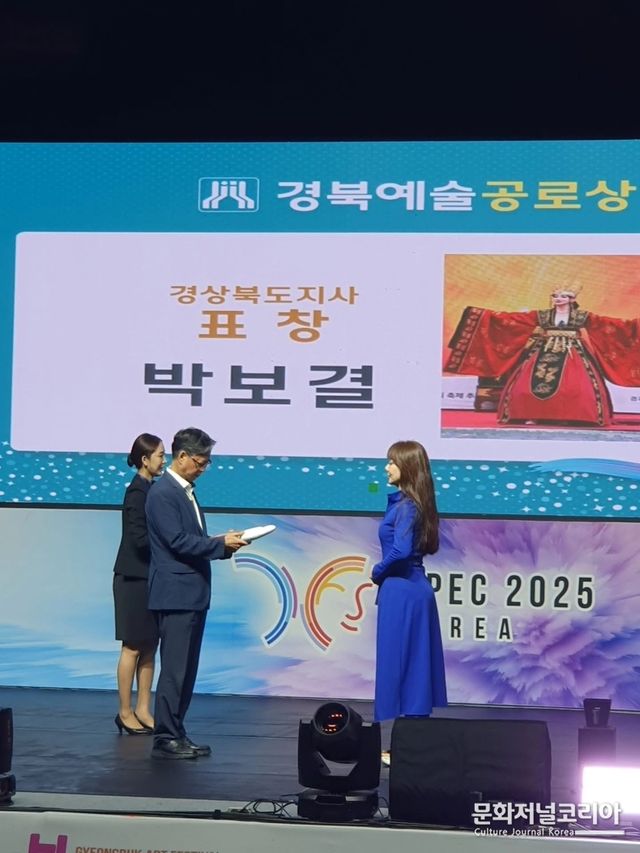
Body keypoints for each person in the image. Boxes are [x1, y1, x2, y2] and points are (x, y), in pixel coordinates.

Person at [146, 427, 246, 759]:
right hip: (175, 594)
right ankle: (165, 737)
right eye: (200, 463)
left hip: (191, 592)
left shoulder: (185, 491)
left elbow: (190, 538)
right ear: (182, 456)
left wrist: (222, 543)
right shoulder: (163, 493)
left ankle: (177, 731)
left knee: (186, 671)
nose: (203, 469)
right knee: (175, 671)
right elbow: (177, 541)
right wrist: (219, 545)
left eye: (207, 463)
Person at [445, 285, 640, 426]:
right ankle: (530, 414)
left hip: (573, 352)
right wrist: (480, 314)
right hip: (543, 350)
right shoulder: (542, 315)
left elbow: (614, 327)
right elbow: (511, 320)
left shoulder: (582, 317)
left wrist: (634, 326)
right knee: (525, 387)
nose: (558, 299)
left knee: (577, 387)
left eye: (563, 296)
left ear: (572, 299)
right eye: (556, 295)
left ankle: (577, 416)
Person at [371, 440, 447, 765]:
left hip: (402, 590)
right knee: (415, 666)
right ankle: (412, 745)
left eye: (392, 462)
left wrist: (378, 571)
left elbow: (400, 551)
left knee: (403, 666)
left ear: (407, 467)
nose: (386, 467)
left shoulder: (406, 507)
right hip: (413, 588)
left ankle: (405, 747)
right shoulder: (413, 504)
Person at [113, 433, 165, 735]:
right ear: (144, 460)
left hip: (150, 577)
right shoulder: (136, 493)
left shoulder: (152, 490)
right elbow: (139, 539)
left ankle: (144, 709)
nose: (164, 460)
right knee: (132, 646)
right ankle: (124, 711)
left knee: (149, 645)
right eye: (160, 455)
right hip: (133, 578)